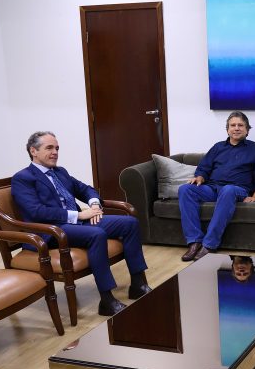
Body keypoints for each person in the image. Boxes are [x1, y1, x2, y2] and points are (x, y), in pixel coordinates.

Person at [12, 132, 151, 316]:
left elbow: (85, 189)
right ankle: (107, 300)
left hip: (78, 223)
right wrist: (78, 214)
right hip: (52, 230)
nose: (55, 152)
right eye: (49, 148)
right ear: (33, 151)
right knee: (97, 234)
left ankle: (138, 284)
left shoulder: (60, 172)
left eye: (57, 148)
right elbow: (36, 211)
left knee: (130, 223)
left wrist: (94, 204)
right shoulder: (23, 178)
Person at [178, 111, 255, 262]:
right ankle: (194, 241)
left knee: (228, 190)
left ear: (247, 130)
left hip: (237, 190)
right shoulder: (218, 147)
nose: (236, 128)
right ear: (227, 129)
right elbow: (203, 168)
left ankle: (209, 244)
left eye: (240, 125)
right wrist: (199, 177)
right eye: (233, 125)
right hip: (212, 188)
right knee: (185, 189)